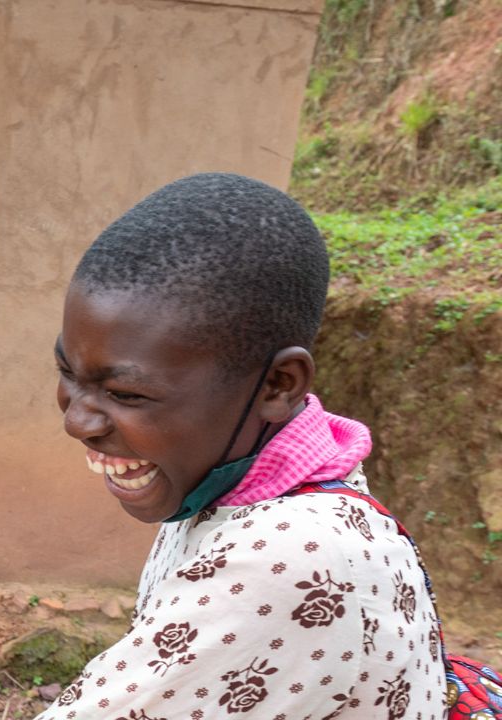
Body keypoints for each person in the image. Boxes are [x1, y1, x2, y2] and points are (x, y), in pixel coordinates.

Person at [39, 173, 444, 718]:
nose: (78, 420)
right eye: (68, 370)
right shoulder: (238, 488)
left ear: (279, 385)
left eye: (125, 393)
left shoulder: (290, 558)